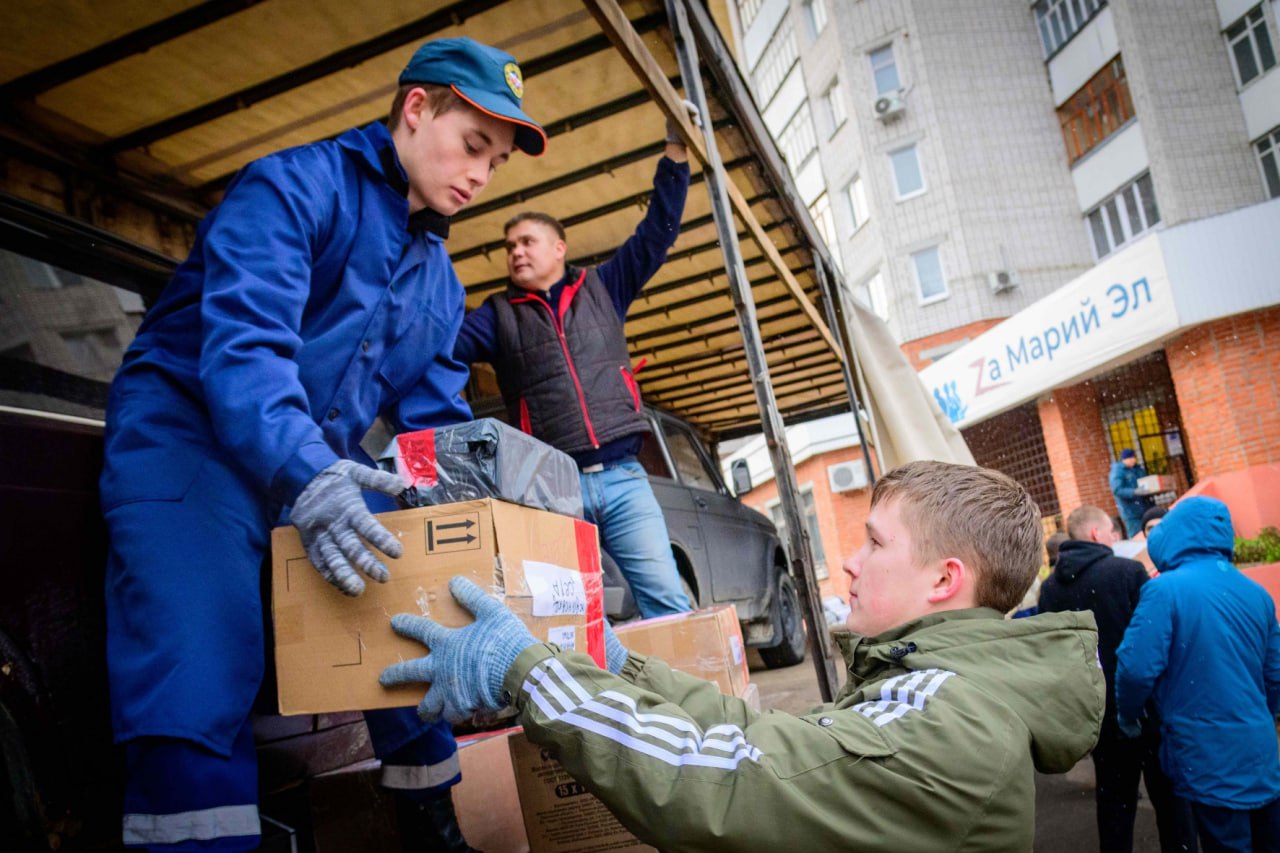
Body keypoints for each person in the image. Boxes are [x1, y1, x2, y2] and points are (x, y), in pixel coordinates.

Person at [98, 38, 546, 852]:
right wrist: (310, 474)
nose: (482, 174)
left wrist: (490, 530)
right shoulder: (291, 187)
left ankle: (435, 827)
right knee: (199, 660)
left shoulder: (437, 280)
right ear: (416, 109)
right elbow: (243, 353)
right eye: (473, 144)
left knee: (412, 618)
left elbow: (436, 429)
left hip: (310, 463)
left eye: (498, 161)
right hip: (188, 444)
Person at [381, 461, 1106, 850]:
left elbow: (726, 777)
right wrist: (610, 662)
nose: (850, 563)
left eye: (875, 542)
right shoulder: (930, 684)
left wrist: (529, 670)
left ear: (946, 578)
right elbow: (762, 737)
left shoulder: (951, 717)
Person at [452, 107, 698, 618]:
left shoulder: (603, 288)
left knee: (667, 602)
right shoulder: (498, 317)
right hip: (552, 487)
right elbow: (438, 346)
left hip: (625, 478)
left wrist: (676, 153)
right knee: (561, 615)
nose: (516, 253)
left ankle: (696, 696)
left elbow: (656, 234)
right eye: (509, 247)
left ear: (559, 248)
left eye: (527, 242)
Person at [1116, 496, 1280, 852]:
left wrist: (1128, 714)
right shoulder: (1256, 593)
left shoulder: (1164, 590)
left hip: (1205, 749)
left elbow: (1135, 668)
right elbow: (1275, 675)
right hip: (1260, 748)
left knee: (1225, 841)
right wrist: (1258, 717)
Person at [1037, 506, 1195, 853]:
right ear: (1095, 534)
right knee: (1171, 805)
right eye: (1111, 529)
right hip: (1146, 708)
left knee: (1114, 808)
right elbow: (1153, 642)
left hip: (1096, 713)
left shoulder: (1050, 589)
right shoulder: (1126, 572)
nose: (1114, 535)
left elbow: (1054, 656)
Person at [1109, 448, 1154, 538]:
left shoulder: (1138, 469)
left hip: (1145, 508)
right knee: (1137, 536)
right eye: (1130, 458)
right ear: (1124, 459)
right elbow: (1117, 490)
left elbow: (1146, 482)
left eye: (1134, 457)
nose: (1133, 460)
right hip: (1131, 512)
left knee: (1150, 534)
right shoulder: (1118, 472)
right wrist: (1134, 492)